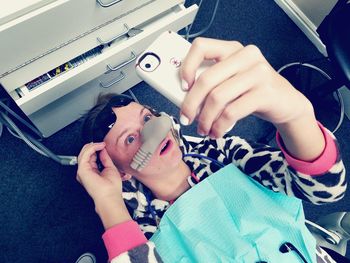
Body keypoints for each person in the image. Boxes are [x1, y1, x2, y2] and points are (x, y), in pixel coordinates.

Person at [76, 37, 347, 263]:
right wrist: (107, 201)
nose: (151, 134)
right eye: (130, 139)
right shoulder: (143, 226)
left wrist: (296, 115)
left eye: (148, 119)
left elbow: (328, 188)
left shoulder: (226, 153)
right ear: (121, 172)